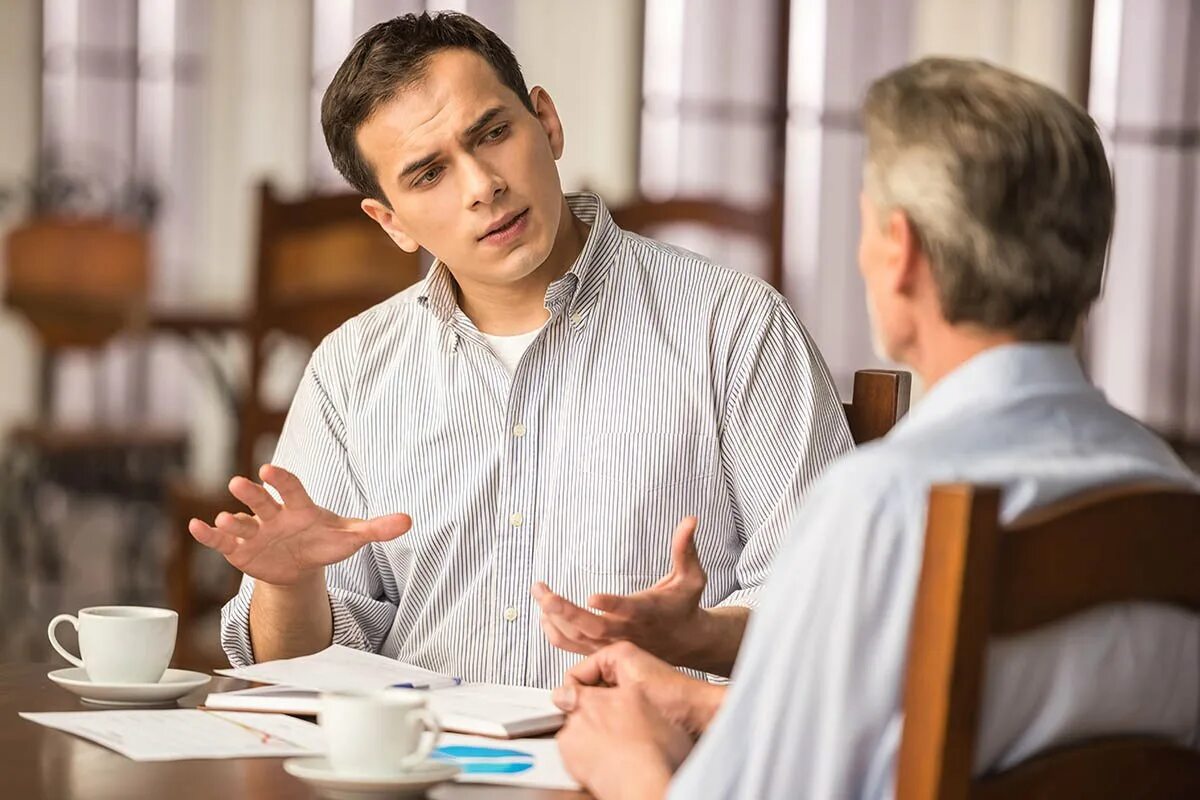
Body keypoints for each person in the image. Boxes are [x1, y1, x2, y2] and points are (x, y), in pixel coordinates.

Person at [551, 57, 1200, 798]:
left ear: (903, 253)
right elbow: (965, 734)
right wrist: (708, 701)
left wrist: (625, 762)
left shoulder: (884, 504)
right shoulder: (1172, 495)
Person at [187, 11, 853, 688]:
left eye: (493, 134)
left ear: (548, 123)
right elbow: (298, 671)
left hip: (654, 773)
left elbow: (833, 605)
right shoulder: (350, 370)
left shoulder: (733, 324)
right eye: (427, 175)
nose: (482, 186)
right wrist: (292, 587)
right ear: (390, 222)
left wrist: (702, 637)